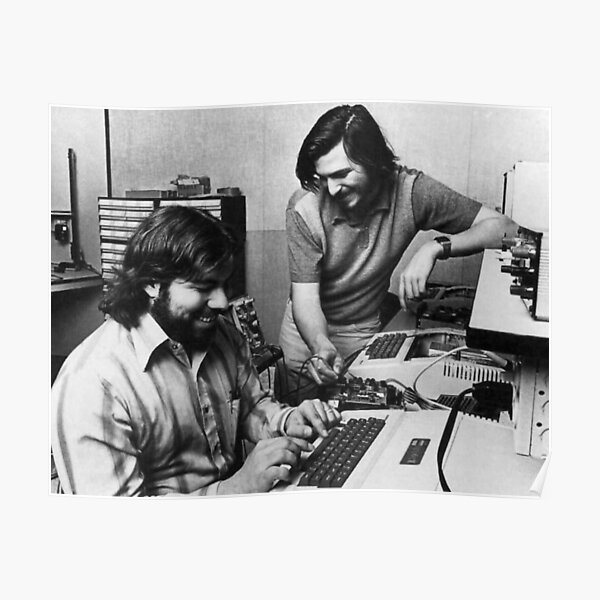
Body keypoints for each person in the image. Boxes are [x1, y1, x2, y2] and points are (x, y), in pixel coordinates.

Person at [51, 206, 341, 496]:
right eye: (204, 286)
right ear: (152, 283)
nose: (222, 302)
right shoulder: (93, 384)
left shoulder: (222, 334)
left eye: (224, 285)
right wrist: (235, 489)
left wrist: (288, 421)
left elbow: (251, 407)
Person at [279, 104, 519, 401]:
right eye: (323, 178)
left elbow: (506, 228)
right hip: (307, 338)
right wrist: (320, 345)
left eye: (341, 174)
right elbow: (305, 299)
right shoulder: (303, 206)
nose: (331, 189)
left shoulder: (411, 191)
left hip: (362, 331)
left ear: (372, 160)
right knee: (300, 423)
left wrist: (435, 247)